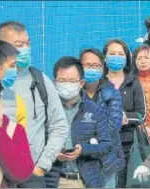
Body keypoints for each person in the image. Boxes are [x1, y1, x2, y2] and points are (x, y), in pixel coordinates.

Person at [0, 21, 69, 187]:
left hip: (31, 175)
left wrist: (41, 166)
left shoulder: (40, 80)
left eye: (28, 44)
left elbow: (59, 126)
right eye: (19, 45)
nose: (25, 49)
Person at [51, 56, 113, 188]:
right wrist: (53, 153)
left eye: (72, 81)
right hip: (53, 180)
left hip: (84, 181)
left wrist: (83, 150)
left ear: (81, 83)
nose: (67, 84)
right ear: (55, 82)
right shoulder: (47, 109)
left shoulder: (95, 110)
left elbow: (107, 145)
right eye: (62, 80)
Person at [102, 39, 146, 187]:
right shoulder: (99, 82)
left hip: (126, 144)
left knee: (121, 182)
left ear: (127, 57)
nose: (116, 57)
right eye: (112, 53)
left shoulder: (133, 82)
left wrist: (128, 117)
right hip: (101, 143)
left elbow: (142, 113)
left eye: (120, 54)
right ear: (105, 57)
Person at [79, 48, 124, 188]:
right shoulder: (73, 93)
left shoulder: (112, 93)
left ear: (102, 68)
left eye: (96, 65)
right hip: (79, 161)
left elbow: (113, 125)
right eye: (87, 65)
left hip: (106, 162)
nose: (91, 68)